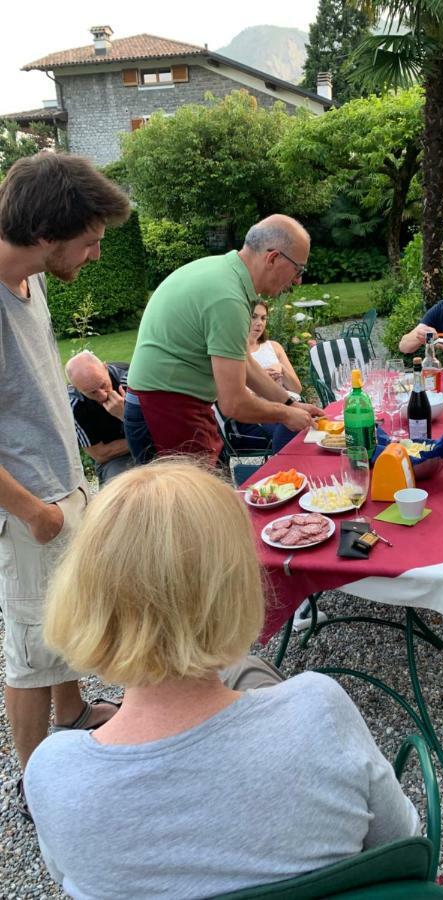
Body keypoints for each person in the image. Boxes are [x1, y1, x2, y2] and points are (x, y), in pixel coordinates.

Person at [24, 461, 420, 898]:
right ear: (236, 586)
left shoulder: (52, 774)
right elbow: (403, 844)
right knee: (253, 676)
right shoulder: (318, 709)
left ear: (84, 595)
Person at [0, 153, 130, 814]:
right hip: (27, 507)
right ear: (48, 234)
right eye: (91, 240)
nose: (96, 253)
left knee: (61, 625)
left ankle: (74, 712)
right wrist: (31, 511)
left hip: (60, 484)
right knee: (27, 650)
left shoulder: (31, 282)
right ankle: (35, 783)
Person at [124, 215, 322, 465]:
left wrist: (288, 402)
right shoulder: (228, 298)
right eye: (298, 269)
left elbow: (244, 362)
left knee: (212, 497)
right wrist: (285, 415)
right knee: (194, 503)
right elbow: (233, 403)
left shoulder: (225, 274)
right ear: (272, 258)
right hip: (163, 410)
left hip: (169, 404)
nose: (298, 280)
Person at [222, 301, 302, 455]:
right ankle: (285, 472)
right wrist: (263, 384)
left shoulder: (273, 346)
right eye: (254, 317)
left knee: (313, 421)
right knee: (293, 427)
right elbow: (234, 399)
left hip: (290, 404)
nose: (259, 323)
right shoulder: (233, 353)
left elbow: (297, 389)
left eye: (263, 318)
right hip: (258, 416)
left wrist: (282, 369)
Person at [65, 351, 134, 485]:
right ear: (76, 388)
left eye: (103, 385)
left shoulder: (130, 378)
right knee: (119, 488)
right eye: (92, 392)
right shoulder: (74, 405)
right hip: (116, 459)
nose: (102, 396)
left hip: (151, 443)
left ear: (105, 367)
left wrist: (125, 415)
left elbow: (161, 425)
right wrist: (141, 437)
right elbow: (100, 454)